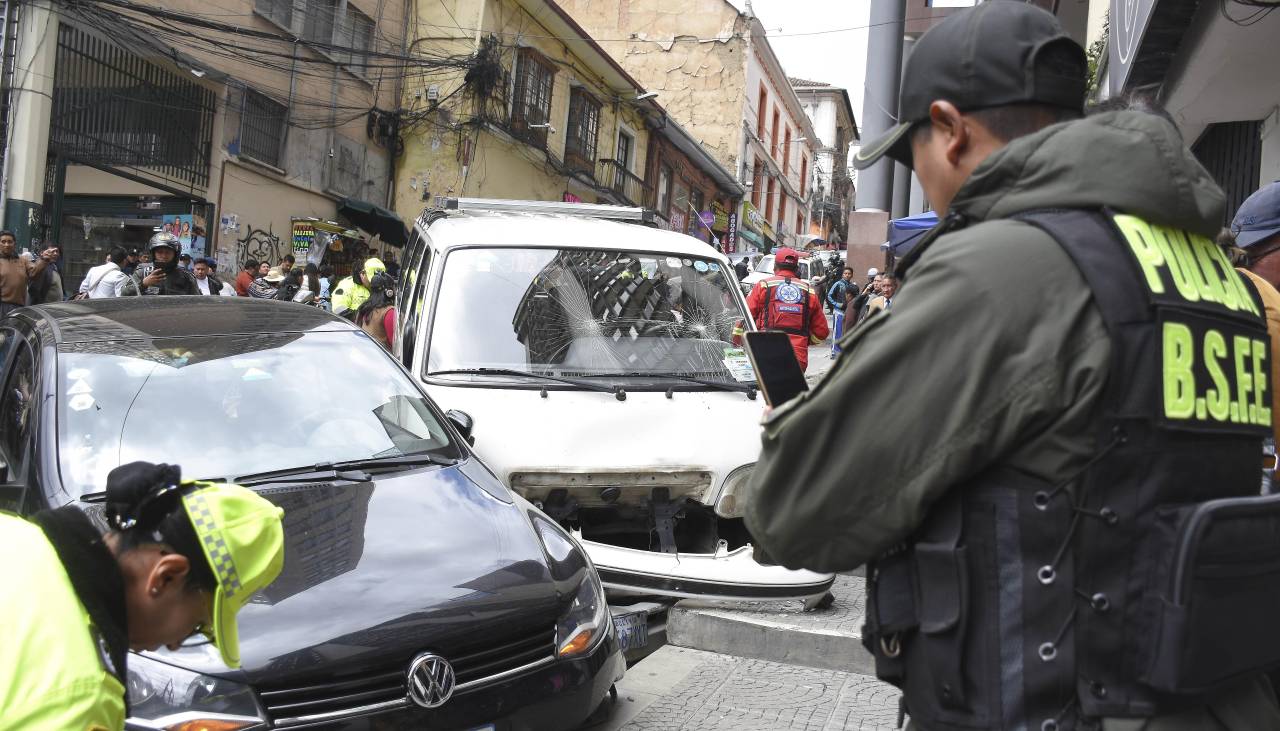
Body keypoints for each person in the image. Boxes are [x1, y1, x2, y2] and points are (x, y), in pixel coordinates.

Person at [744, 3, 1280, 729]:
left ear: (953, 129)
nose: (925, 184)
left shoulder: (1008, 268)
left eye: (915, 156)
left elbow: (791, 511)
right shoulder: (1212, 275)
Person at [0, 461, 284, 730]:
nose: (174, 645)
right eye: (197, 625)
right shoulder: (79, 694)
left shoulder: (14, 533)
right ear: (166, 576)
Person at [745, 246, 829, 371]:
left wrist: (737, 341)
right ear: (797, 269)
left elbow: (744, 318)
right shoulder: (808, 291)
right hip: (797, 358)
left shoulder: (763, 286)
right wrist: (805, 340)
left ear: (775, 267)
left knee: (765, 390)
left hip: (766, 354)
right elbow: (822, 332)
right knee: (791, 390)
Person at [0, 231, 56, 317]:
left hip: (18, 307)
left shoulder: (23, 260)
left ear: (14, 244)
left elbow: (34, 273)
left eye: (10, 242)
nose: (7, 245)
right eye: (3, 242)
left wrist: (44, 259)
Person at [124, 232, 198, 296]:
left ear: (175, 254)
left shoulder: (186, 276)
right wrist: (143, 284)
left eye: (168, 252)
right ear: (153, 253)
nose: (164, 256)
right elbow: (123, 294)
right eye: (160, 252)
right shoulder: (142, 272)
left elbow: (197, 302)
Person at [355, 272, 397, 351]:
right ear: (389, 292)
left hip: (367, 356)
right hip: (384, 360)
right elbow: (395, 345)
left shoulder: (364, 308)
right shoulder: (389, 312)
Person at [826, 267, 855, 358]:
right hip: (838, 312)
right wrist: (836, 304)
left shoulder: (851, 285)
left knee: (844, 331)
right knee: (837, 331)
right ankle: (834, 351)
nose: (847, 275)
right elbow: (829, 295)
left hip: (847, 312)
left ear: (852, 275)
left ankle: (842, 351)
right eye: (845, 273)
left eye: (849, 273)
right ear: (842, 274)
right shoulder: (838, 284)